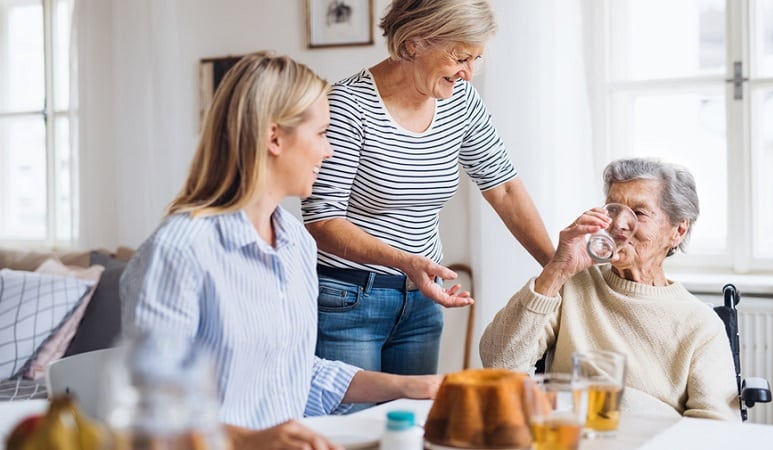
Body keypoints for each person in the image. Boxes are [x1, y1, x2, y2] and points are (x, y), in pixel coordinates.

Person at [120, 52, 442, 449]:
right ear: (274, 137)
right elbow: (153, 421)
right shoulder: (178, 252)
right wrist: (250, 441)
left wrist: (413, 386)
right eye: (322, 134)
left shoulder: (295, 242)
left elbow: (294, 373)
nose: (330, 152)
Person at [301, 0, 555, 377]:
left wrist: (555, 267)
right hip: (350, 299)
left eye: (475, 59)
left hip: (422, 299)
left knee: (412, 427)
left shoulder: (462, 103)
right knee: (353, 432)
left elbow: (504, 188)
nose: (468, 73)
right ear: (412, 44)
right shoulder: (347, 106)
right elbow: (322, 220)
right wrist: (406, 262)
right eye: (460, 58)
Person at [480, 158, 740, 421]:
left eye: (638, 213)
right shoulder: (572, 284)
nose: (619, 224)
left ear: (678, 230)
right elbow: (499, 365)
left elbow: (716, 429)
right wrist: (556, 270)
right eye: (614, 210)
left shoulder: (701, 325)